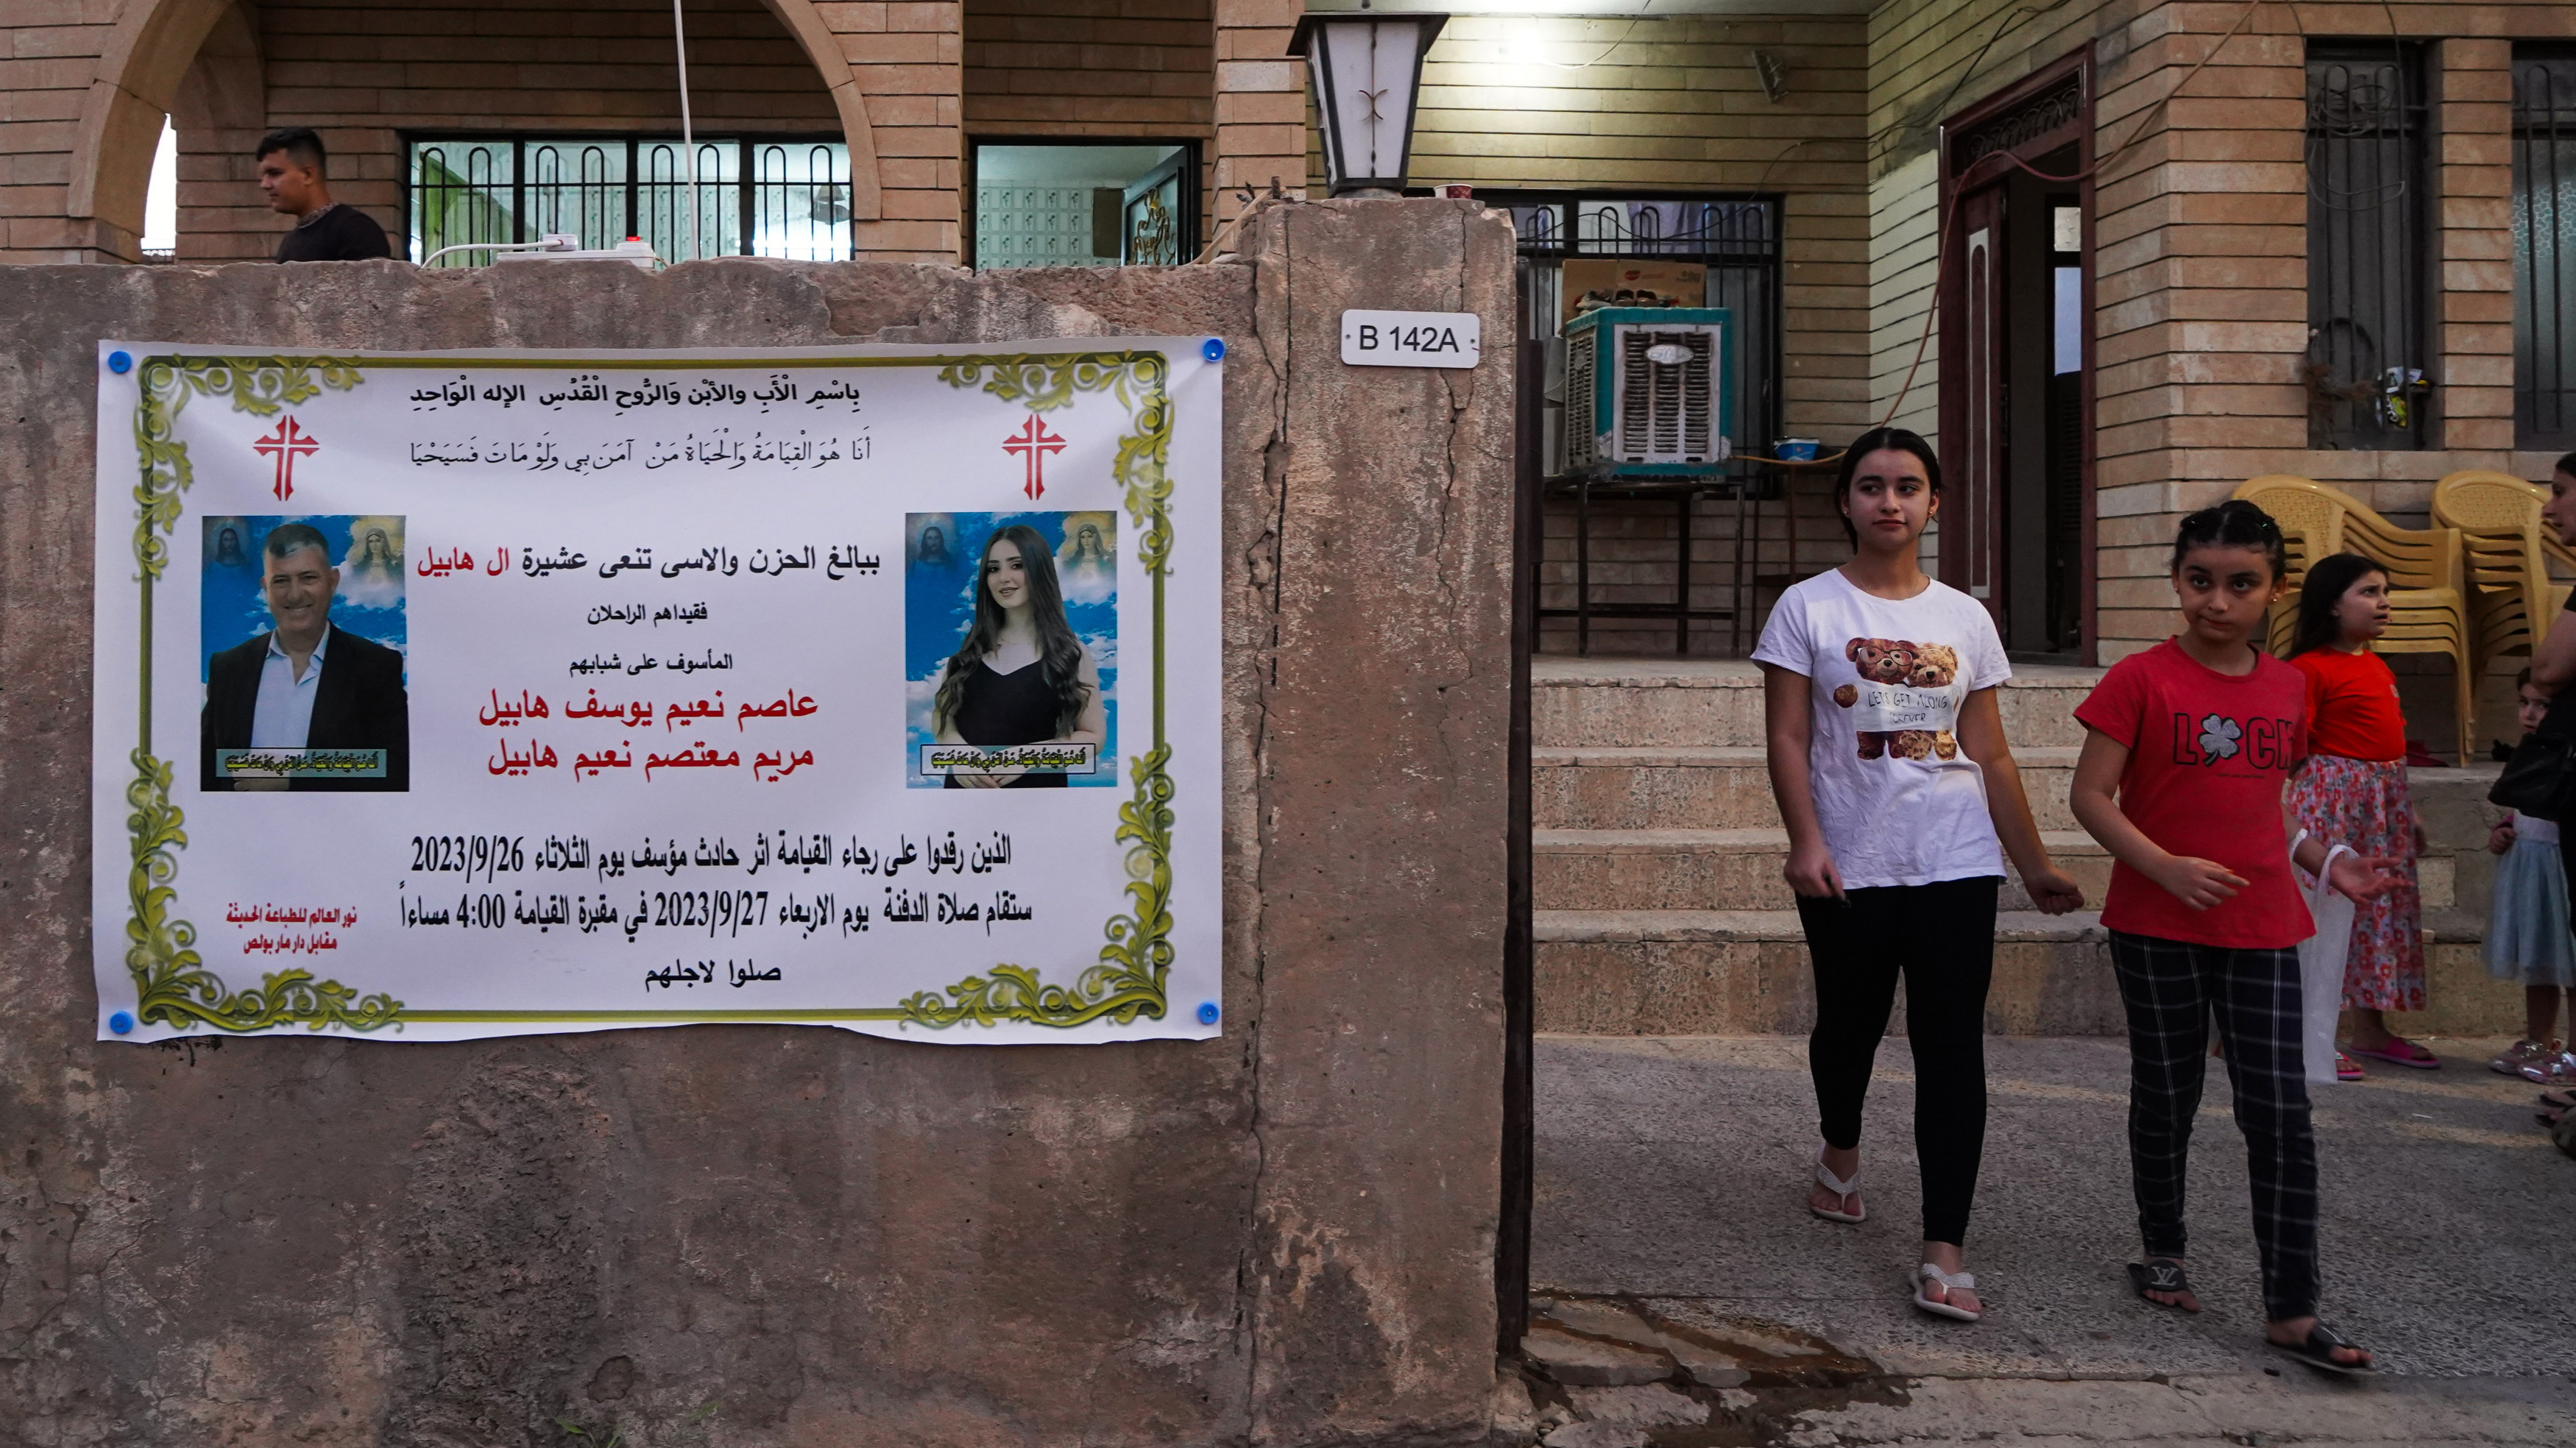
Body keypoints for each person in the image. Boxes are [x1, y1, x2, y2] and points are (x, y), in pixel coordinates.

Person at [1752, 426, 2084, 1325]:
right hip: (1848, 861)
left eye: (1906, 486)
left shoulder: (1963, 620)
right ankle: (1840, 1153)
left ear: (1933, 503)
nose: (1887, 502)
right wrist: (1804, 840)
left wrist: (2033, 863)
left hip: (1954, 861)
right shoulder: (1806, 609)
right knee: (1847, 1030)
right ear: (1846, 502)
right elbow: (1787, 736)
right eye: (1869, 486)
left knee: (1951, 1052)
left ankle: (1945, 1251)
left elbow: (1990, 754)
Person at [2067, 500, 2402, 1377]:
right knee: (2167, 1089)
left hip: (2260, 923)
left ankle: (2291, 1307)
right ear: (2177, 580)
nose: (2215, 601)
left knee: (2278, 1112)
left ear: (2274, 590)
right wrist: (2165, 868)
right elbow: (2089, 797)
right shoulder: (2138, 679)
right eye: (2198, 581)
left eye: (2239, 585)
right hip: (2154, 922)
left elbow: (2272, 804)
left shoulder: (2289, 686)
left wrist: (2323, 860)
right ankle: (2162, 1247)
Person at [2279, 553, 2432, 1076]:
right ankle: (2318, 1030)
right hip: (2334, 806)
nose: (2383, 601)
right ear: (2331, 606)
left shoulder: (2376, 665)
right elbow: (2295, 748)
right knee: (2329, 915)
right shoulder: (2310, 668)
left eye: (2385, 591)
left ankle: (2371, 1029)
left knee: (2379, 917)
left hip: (2382, 806)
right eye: (2368, 592)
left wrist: (2405, 814)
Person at [202, 522, 410, 792]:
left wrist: (289, 779)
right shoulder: (228, 668)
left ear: (332, 581)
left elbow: (393, 768)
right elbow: (207, 769)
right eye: (281, 580)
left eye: (308, 578)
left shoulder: (376, 668)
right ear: (265, 587)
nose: (295, 594)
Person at [930, 524, 1105, 789]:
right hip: (962, 806)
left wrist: (1027, 757)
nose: (1003, 578)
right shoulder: (966, 655)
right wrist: (958, 753)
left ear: (1039, 570)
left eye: (1017, 565)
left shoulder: (1071, 653)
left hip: (1038, 805)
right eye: (993, 568)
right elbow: (942, 718)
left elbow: (1094, 737)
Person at [2485, 669, 2576, 1085]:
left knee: (2571, 963)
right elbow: (2527, 802)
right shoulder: (2531, 752)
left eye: (2544, 706)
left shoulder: (2568, 752)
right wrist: (2506, 827)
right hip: (2529, 867)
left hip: (2561, 869)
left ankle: (2574, 1051)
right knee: (2537, 959)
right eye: (2525, 703)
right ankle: (2539, 1040)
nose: (2531, 713)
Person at [256, 127, 392, 263]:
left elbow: (378, 282)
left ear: (308, 175)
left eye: (274, 173)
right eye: (264, 176)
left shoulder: (356, 230)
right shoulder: (290, 242)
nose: (265, 184)